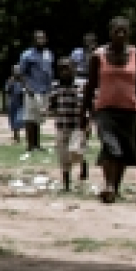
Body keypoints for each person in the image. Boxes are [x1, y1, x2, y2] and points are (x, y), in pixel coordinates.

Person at [88, 18, 136, 204]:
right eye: (116, 31)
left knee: (124, 150)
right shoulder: (98, 55)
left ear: (129, 33)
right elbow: (91, 85)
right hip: (105, 108)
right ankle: (110, 185)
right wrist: (85, 111)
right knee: (111, 146)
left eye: (124, 31)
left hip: (130, 109)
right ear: (110, 32)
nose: (120, 35)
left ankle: (114, 187)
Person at [48, 57, 87, 191]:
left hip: (77, 126)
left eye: (67, 68)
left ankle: (83, 164)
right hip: (61, 125)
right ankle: (66, 185)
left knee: (75, 152)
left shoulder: (81, 85)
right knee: (63, 157)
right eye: (62, 69)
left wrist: (88, 123)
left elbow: (87, 104)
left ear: (74, 69)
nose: (65, 72)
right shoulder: (55, 86)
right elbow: (51, 104)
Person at [13, 30, 56, 152]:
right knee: (30, 118)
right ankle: (30, 145)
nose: (40, 41)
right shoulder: (27, 55)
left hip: (45, 90)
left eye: (42, 38)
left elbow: (49, 71)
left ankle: (37, 144)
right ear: (33, 40)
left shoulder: (48, 54)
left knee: (38, 119)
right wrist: (27, 88)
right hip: (32, 90)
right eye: (37, 39)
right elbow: (20, 73)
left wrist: (51, 88)